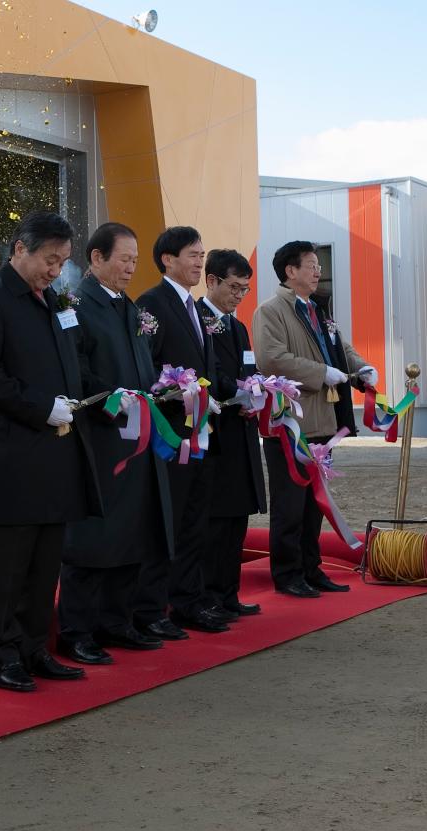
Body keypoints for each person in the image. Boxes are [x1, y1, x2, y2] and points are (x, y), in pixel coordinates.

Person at [0, 211, 102, 692]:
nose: (55, 270)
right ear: (19, 248)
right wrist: (42, 407)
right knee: (7, 565)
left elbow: (73, 363)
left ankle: (34, 646)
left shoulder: (56, 302)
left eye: (62, 262)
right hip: (12, 457)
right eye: (49, 259)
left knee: (45, 562)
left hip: (57, 454)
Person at [56, 222, 172, 665]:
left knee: (133, 531)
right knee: (94, 537)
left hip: (137, 437)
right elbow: (77, 371)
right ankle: (77, 630)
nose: (129, 268)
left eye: (134, 260)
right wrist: (115, 399)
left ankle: (116, 621)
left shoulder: (129, 307)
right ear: (97, 258)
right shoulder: (76, 304)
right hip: (101, 436)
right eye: (122, 259)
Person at [252, 241, 376, 597]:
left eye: (317, 265)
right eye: (310, 265)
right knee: (290, 505)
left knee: (315, 504)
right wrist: (322, 372)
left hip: (324, 420)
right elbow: (272, 359)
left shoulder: (317, 309)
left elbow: (341, 347)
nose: (318, 271)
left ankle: (311, 567)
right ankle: (287, 574)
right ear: (290, 271)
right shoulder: (271, 310)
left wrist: (360, 367)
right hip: (291, 423)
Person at [132, 226, 231, 638]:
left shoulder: (198, 309)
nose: (199, 262)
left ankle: (188, 602)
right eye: (192, 254)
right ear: (167, 259)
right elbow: (144, 365)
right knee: (166, 523)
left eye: (202, 254)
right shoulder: (151, 304)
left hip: (201, 432)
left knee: (194, 520)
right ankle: (151, 609)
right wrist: (172, 388)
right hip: (169, 435)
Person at [198, 249, 266, 617]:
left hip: (241, 431)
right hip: (214, 431)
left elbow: (247, 369)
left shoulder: (238, 327)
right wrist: (234, 392)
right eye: (234, 287)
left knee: (237, 517)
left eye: (245, 289)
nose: (240, 295)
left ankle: (228, 592)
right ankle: (207, 595)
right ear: (212, 281)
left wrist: (256, 389)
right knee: (214, 521)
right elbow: (206, 373)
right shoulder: (197, 318)